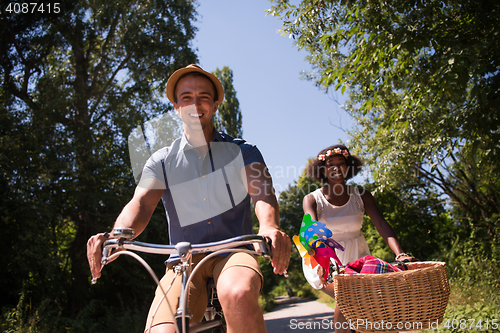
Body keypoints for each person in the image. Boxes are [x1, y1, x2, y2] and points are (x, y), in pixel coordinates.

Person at [87, 64, 291, 333]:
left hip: (233, 253)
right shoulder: (161, 161)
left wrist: (268, 226)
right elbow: (141, 204)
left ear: (216, 104)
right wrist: (116, 236)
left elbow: (262, 192)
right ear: (176, 106)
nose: (195, 104)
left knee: (239, 294)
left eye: (204, 97)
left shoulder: (244, 152)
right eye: (186, 98)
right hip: (182, 262)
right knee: (163, 330)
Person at [302, 144, 415, 333]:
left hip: (358, 257)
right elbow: (311, 230)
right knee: (348, 296)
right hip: (324, 257)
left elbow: (381, 224)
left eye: (341, 163)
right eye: (331, 165)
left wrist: (400, 253)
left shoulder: (361, 195)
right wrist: (321, 258)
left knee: (371, 304)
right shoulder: (312, 199)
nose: (336, 168)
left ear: (348, 167)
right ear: (323, 170)